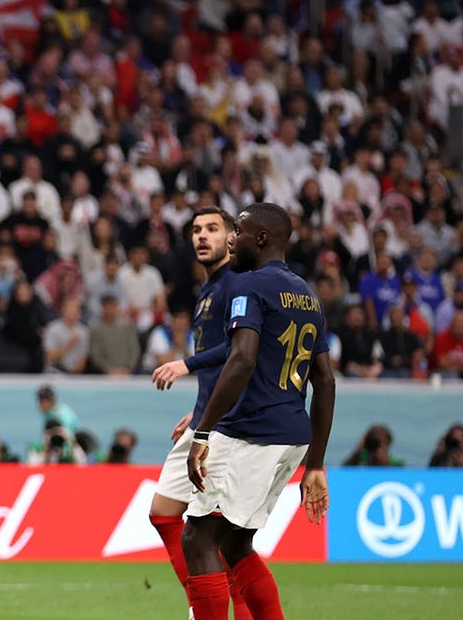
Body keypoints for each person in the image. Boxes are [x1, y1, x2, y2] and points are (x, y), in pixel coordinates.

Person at [182, 203, 335, 620]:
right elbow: (324, 381)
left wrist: (202, 432)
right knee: (234, 545)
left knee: (198, 538)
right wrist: (315, 464)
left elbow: (242, 359)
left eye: (241, 231)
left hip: (252, 431)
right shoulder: (307, 295)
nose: (233, 238)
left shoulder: (248, 286)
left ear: (262, 239)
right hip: (292, 436)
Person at [147, 206, 251, 618]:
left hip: (228, 428)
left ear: (231, 238)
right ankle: (202, 600)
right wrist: (198, 410)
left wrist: (185, 364)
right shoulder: (207, 292)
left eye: (212, 228)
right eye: (195, 230)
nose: (201, 236)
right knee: (163, 512)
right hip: (208, 417)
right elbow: (219, 367)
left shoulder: (236, 285)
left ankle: (210, 605)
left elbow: (242, 347)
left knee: (221, 539)